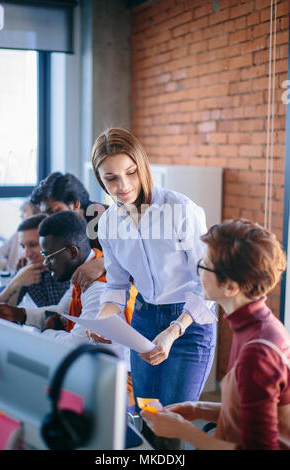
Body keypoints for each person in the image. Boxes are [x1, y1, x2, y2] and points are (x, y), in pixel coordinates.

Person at [90, 127, 217, 408]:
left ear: (143, 166)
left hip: (189, 322)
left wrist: (174, 330)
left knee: (175, 419)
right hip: (144, 320)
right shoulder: (109, 223)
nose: (123, 185)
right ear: (100, 180)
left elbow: (208, 282)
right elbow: (117, 285)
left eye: (130, 172)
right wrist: (103, 318)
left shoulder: (181, 209)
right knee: (147, 414)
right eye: (111, 178)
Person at [141, 218, 290, 450]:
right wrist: (197, 409)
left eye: (204, 265)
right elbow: (248, 412)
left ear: (230, 286)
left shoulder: (258, 352)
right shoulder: (255, 326)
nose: (197, 272)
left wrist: (183, 431)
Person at [0, 211, 132, 364]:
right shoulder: (83, 274)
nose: (45, 263)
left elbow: (74, 346)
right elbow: (62, 311)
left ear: (72, 252)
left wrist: (45, 332)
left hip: (117, 379)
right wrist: (20, 314)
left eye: (49, 257)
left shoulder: (98, 288)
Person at [30, 172, 107, 292]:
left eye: (54, 211)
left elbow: (138, 257)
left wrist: (104, 263)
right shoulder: (67, 229)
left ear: (75, 204)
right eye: (45, 215)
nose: (49, 219)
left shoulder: (107, 219)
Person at [0, 214, 70, 308]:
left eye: (33, 244)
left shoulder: (70, 265)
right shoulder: (27, 269)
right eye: (23, 246)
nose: (27, 254)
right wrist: (16, 282)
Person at [0, 198, 40, 272]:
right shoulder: (18, 235)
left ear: (36, 212)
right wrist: (0, 263)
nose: (21, 215)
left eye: (24, 211)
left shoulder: (44, 236)